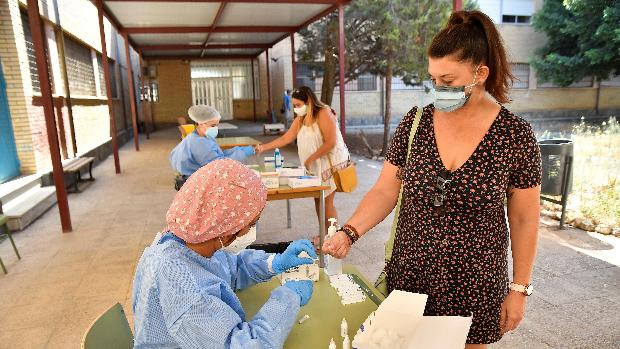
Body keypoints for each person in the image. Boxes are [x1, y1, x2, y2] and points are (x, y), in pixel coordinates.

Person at [322, 10, 542, 348]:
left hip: (476, 284)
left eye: (448, 81)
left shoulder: (515, 136)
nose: (438, 88)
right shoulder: (416, 124)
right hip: (411, 276)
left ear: (480, 73)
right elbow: (385, 190)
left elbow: (526, 218)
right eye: (433, 79)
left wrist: (519, 289)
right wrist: (350, 232)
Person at [132, 159, 317, 348]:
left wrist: (274, 262)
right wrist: (288, 298)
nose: (254, 229)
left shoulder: (197, 237)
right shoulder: (183, 288)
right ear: (227, 228)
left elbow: (231, 267)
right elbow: (245, 345)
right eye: (251, 224)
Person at [255, 86, 350, 230]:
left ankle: (333, 236)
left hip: (329, 164)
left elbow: (331, 142)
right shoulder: (302, 118)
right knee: (318, 200)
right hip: (314, 166)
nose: (296, 108)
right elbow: (287, 137)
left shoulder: (324, 113)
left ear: (309, 101)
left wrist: (311, 158)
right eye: (294, 105)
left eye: (298, 105)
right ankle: (324, 235)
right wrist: (264, 147)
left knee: (327, 201)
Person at [169, 105, 255, 178]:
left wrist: (237, 150)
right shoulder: (198, 143)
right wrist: (243, 153)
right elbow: (217, 165)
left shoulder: (200, 136)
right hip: (197, 180)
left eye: (216, 125)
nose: (215, 128)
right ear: (201, 124)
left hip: (198, 175)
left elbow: (217, 154)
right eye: (213, 125)